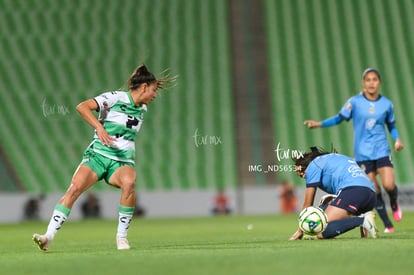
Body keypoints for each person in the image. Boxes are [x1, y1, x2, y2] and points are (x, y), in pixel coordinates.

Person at [33, 64, 176, 251]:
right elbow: (82, 107)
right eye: (154, 90)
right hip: (98, 156)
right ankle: (48, 237)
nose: (155, 95)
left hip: (121, 161)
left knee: (130, 182)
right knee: (74, 189)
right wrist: (99, 127)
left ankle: (121, 238)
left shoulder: (142, 109)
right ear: (143, 87)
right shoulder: (115, 98)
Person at [304, 68, 404, 233]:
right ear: (363, 83)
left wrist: (397, 139)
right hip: (362, 153)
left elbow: (391, 125)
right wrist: (319, 124)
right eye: (368, 80)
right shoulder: (355, 102)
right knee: (374, 188)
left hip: (381, 150)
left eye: (375, 80)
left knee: (389, 184)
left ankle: (394, 201)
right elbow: (339, 118)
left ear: (379, 83)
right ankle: (388, 224)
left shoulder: (386, 104)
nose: (371, 83)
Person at [289, 147, 378, 240]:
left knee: (319, 228)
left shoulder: (313, 166)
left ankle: (363, 221)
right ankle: (365, 221)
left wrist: (300, 230)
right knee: (324, 214)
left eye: (302, 171)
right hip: (371, 194)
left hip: (353, 190)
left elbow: (308, 204)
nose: (303, 176)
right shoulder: (335, 158)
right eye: (299, 175)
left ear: (306, 163)